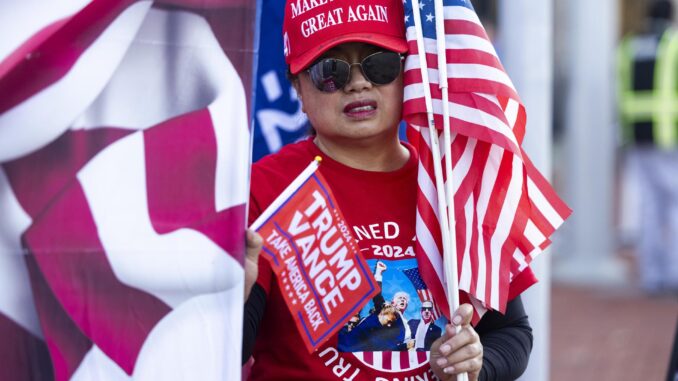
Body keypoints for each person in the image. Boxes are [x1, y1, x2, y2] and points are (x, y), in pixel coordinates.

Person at [243, 0, 534, 379]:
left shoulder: (453, 184)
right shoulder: (263, 191)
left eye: (380, 63)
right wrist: (229, 299)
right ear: (297, 85)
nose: (358, 82)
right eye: (331, 70)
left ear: (407, 72)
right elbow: (222, 352)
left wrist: (478, 364)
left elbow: (511, 332)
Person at [616, 0, 678, 294]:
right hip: (668, 135)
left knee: (649, 207)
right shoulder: (673, 44)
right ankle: (673, 271)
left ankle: (651, 274)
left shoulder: (631, 46)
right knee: (674, 206)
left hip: (638, 134)